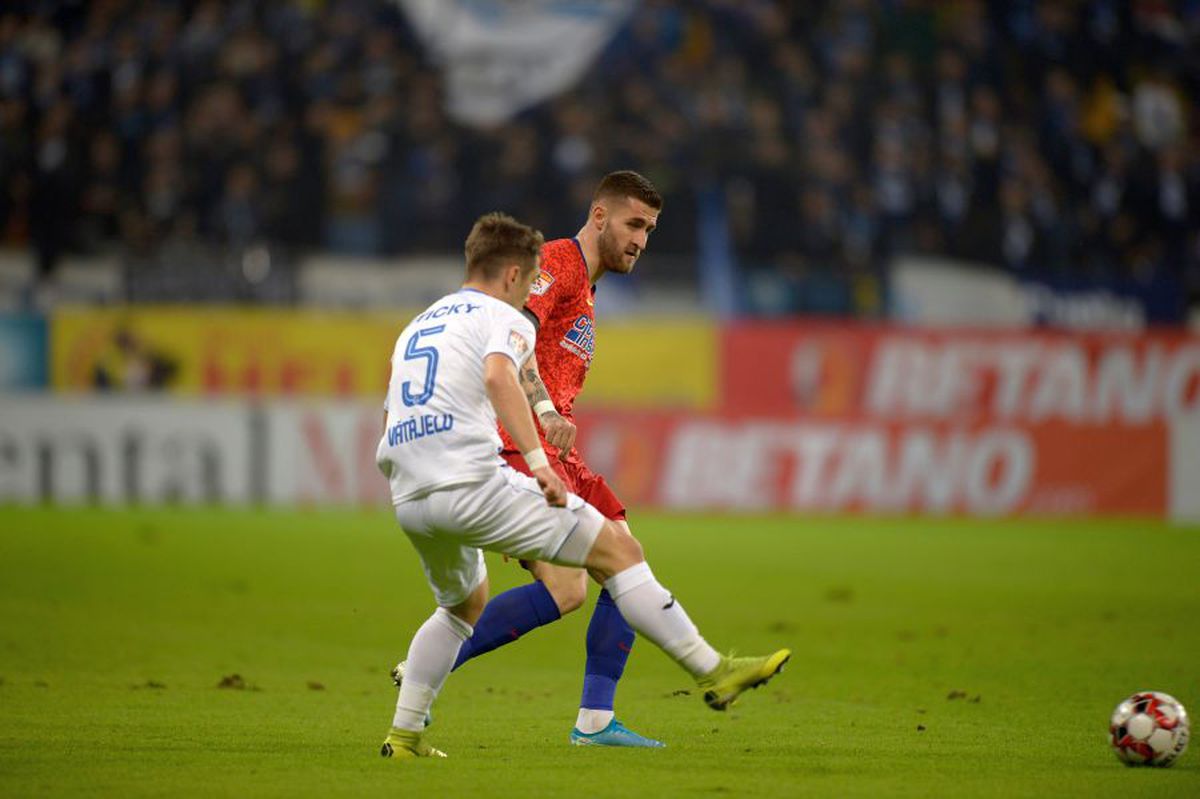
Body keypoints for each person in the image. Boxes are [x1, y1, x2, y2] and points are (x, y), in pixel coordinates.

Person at [376, 211, 789, 759]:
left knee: (460, 608)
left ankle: (403, 738)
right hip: (473, 481)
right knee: (618, 551)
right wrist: (537, 461)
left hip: (410, 493)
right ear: (512, 276)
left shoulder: (419, 324)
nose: (530, 293)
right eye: (527, 281)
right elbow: (502, 376)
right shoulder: (504, 312)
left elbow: (392, 407)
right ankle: (714, 670)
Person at [393, 171, 674, 748]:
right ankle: (435, 664)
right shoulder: (559, 265)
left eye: (649, 229)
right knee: (581, 582)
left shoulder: (588, 286)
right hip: (521, 444)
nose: (641, 240)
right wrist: (544, 410)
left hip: (556, 451)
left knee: (620, 562)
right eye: (633, 224)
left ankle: (594, 720)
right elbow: (515, 333)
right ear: (599, 215)